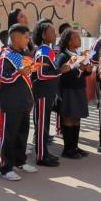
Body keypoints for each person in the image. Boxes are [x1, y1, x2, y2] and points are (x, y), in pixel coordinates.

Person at [0, 24, 38, 181]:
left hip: (24, 101)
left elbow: (25, 77)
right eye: (26, 37)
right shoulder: (6, 55)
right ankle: (5, 168)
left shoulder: (23, 54)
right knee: (10, 135)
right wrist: (18, 72)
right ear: (16, 37)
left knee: (22, 133)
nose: (28, 40)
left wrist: (29, 70)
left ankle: (20, 161)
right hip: (10, 102)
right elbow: (3, 77)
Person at [55, 28, 93, 159]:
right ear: (69, 41)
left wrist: (88, 69)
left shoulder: (80, 54)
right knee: (68, 118)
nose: (79, 39)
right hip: (68, 90)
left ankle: (75, 146)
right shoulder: (63, 56)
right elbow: (60, 73)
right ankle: (67, 149)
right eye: (76, 37)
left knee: (77, 118)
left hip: (79, 89)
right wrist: (79, 70)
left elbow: (86, 72)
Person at [32, 21, 60, 167]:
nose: (55, 35)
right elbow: (41, 74)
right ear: (43, 35)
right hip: (42, 93)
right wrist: (60, 72)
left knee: (45, 124)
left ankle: (44, 152)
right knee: (41, 125)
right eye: (52, 32)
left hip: (47, 93)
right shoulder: (43, 52)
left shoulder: (47, 50)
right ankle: (41, 156)